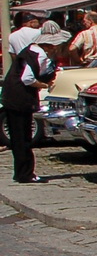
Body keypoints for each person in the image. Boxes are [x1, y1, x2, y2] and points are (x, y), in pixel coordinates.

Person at [4, 19, 70, 183]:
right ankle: (25, 173)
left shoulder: (30, 51)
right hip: (20, 98)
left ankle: (21, 172)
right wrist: (42, 84)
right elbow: (27, 79)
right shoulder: (38, 55)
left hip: (12, 96)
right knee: (23, 138)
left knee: (18, 138)